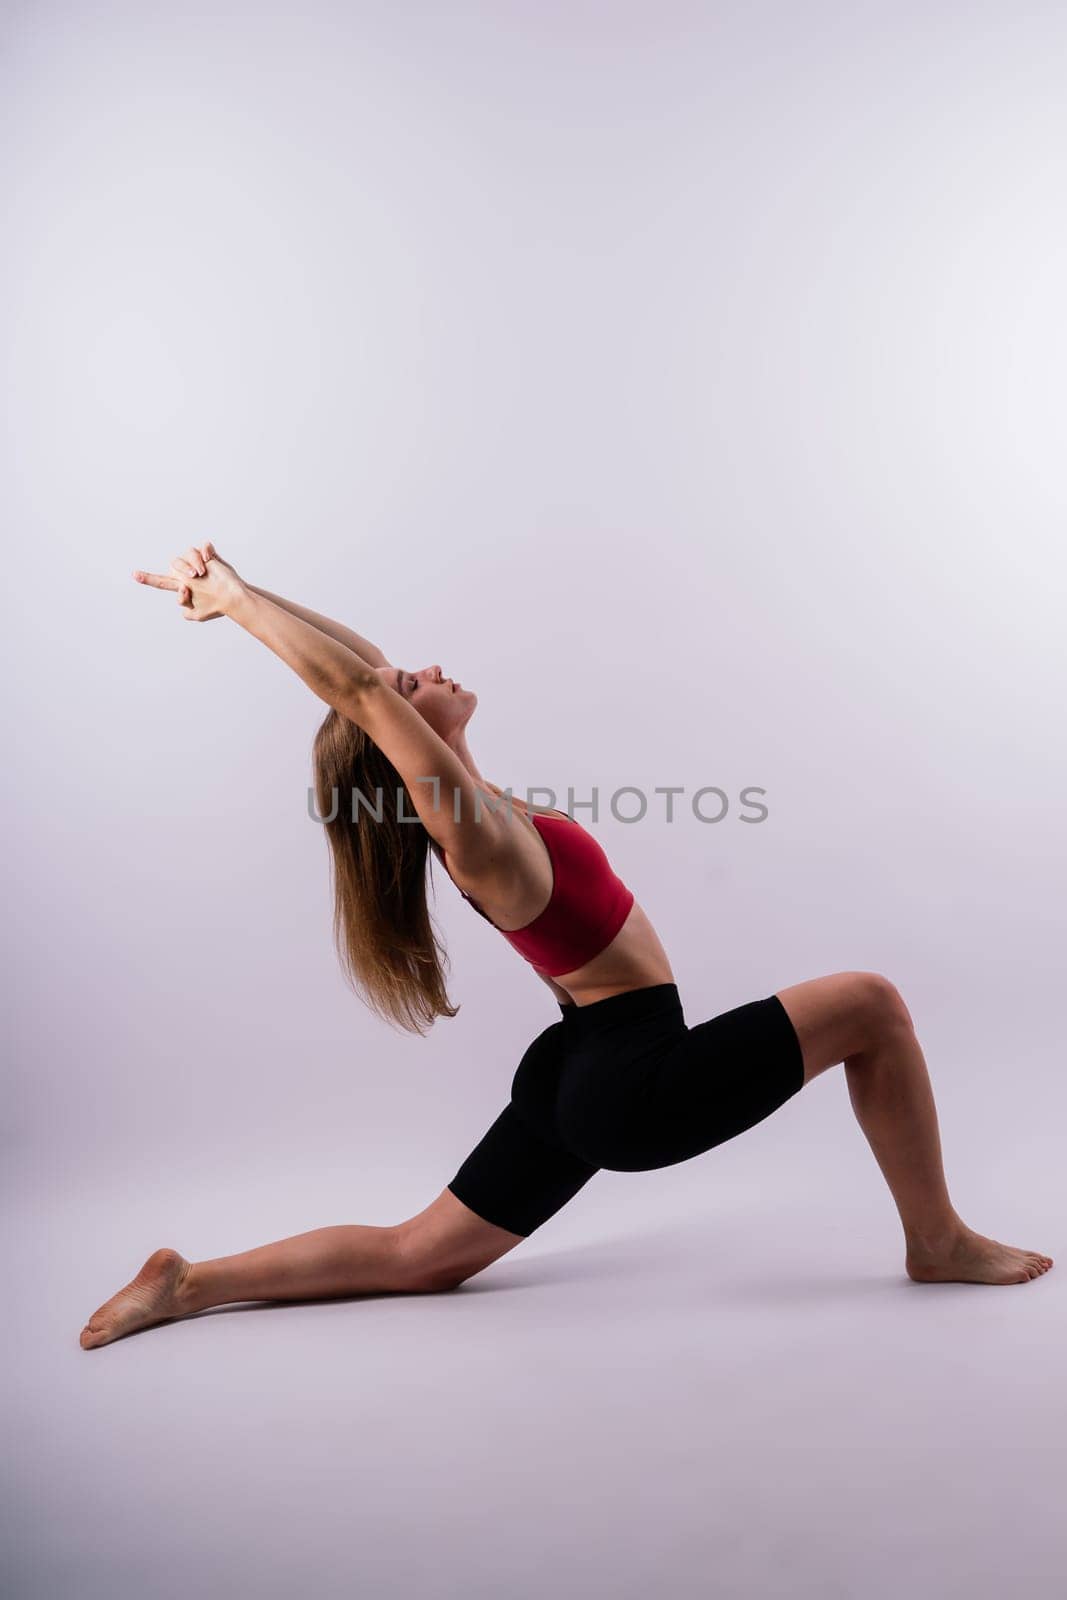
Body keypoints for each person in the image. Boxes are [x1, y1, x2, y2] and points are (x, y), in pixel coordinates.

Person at [80, 542, 1052, 1349]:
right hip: (630, 1082)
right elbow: (358, 690)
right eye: (407, 689)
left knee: (417, 1255)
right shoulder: (474, 833)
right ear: (403, 750)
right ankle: (937, 1240)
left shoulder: (471, 803)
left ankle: (190, 1282)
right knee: (869, 1004)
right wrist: (245, 608)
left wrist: (240, 582)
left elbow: (360, 669)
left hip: (575, 1065)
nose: (420, 670)